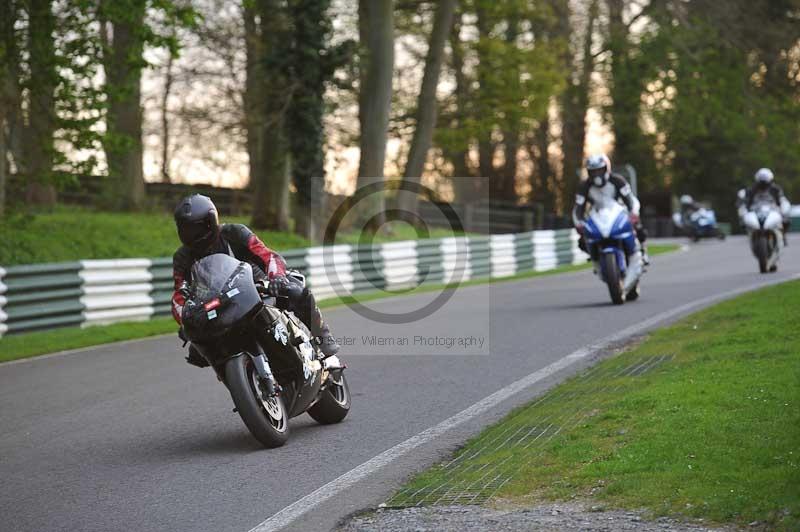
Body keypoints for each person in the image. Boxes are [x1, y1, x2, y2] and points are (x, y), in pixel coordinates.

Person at [171, 194, 340, 368]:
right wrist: (186, 319)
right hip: (221, 306)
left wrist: (277, 278)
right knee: (197, 351)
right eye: (185, 229)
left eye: (195, 229)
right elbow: (179, 295)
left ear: (210, 221)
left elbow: (268, 255)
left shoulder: (234, 233)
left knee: (295, 290)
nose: (191, 235)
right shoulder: (182, 258)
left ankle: (323, 338)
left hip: (257, 287)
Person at [572, 153, 649, 264]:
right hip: (598, 215)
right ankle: (595, 258)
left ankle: (642, 249)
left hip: (619, 211)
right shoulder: (584, 187)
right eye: (593, 172)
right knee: (582, 241)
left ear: (606, 168)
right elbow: (578, 208)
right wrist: (579, 223)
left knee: (638, 227)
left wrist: (633, 213)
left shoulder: (618, 180)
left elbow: (630, 200)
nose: (596, 175)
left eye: (599, 170)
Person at [742, 168, 791, 245]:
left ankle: (783, 235)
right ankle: (751, 235)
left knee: (786, 220)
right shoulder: (751, 189)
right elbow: (747, 202)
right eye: (761, 182)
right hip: (756, 210)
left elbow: (781, 199)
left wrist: (783, 208)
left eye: (765, 182)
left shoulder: (776, 189)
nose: (763, 184)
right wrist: (745, 210)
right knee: (744, 221)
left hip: (772, 209)